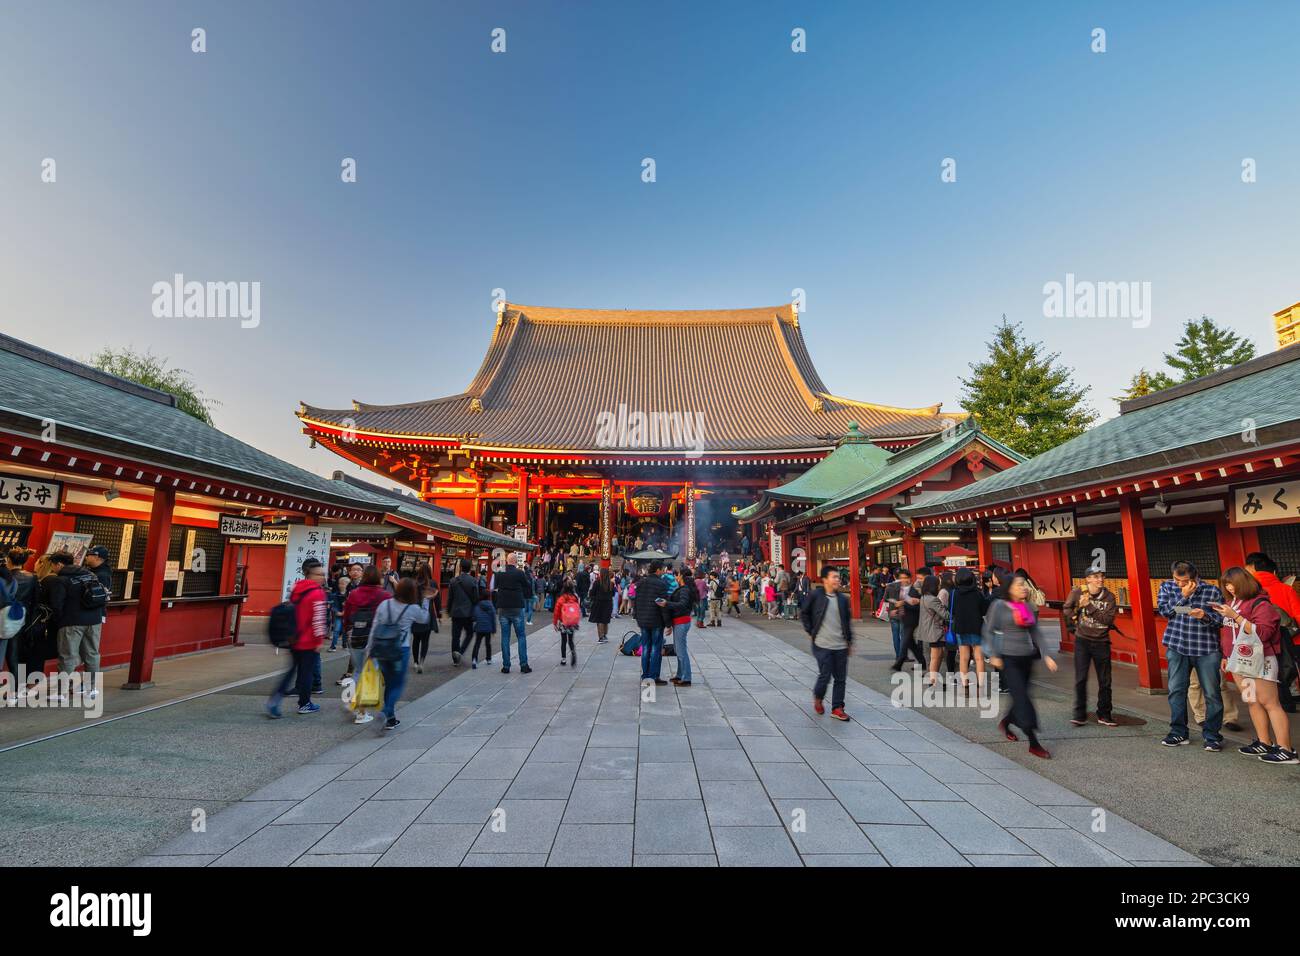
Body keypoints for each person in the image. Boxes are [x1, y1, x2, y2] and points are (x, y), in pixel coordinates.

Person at [1215, 567, 1295, 763]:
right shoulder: (1230, 602)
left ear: (1244, 582)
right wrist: (1226, 655)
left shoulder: (1260, 603)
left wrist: (1236, 616)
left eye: (1232, 583)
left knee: (1270, 703)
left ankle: (1286, 749)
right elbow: (1227, 632)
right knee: (1251, 701)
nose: (1230, 588)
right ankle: (1264, 741)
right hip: (1239, 661)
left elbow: (1264, 633)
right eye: (1226, 585)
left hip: (1261, 660)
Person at [983, 573, 1059, 758]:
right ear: (1009, 588)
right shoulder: (999, 606)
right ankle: (1033, 742)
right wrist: (993, 654)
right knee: (1023, 699)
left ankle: (1006, 721)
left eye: (1024, 585)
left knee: (1020, 696)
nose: (1023, 587)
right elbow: (989, 630)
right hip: (1008, 659)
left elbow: (1035, 632)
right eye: (1019, 585)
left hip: (1026, 657)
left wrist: (1047, 655)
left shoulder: (1025, 606)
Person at [1156, 560, 1226, 750]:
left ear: (1194, 578)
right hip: (1177, 646)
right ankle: (1178, 733)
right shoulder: (1168, 587)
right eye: (1176, 579)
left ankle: (1212, 736)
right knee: (1176, 691)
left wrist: (1205, 616)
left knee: (1212, 694)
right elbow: (1165, 611)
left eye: (1184, 581)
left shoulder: (1212, 591)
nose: (1179, 583)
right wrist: (1183, 596)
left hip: (1206, 649)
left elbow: (1223, 621)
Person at [42, 550, 110, 700]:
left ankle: (61, 692)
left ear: (59, 564)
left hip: (72, 622)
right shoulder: (90, 574)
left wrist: (59, 621)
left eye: (53, 565)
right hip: (94, 620)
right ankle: (91, 689)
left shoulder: (62, 580)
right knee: (92, 654)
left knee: (67, 656)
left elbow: (57, 604)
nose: (53, 569)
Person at [266, 558, 328, 718]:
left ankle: (275, 698)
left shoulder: (297, 588)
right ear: (310, 574)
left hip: (294, 637)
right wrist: (319, 640)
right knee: (306, 672)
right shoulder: (318, 593)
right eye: (319, 574)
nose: (322, 577)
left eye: (323, 574)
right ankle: (305, 703)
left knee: (292, 669)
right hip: (309, 640)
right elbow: (319, 618)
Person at [365, 577, 428, 730]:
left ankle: (390, 718)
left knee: (389, 682)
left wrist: (369, 649)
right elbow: (424, 619)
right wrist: (426, 601)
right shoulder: (411, 609)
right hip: (400, 649)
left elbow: (374, 627)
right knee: (398, 683)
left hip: (381, 648)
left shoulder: (384, 604)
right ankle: (385, 712)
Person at [1062, 567, 1119, 728]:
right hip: (1082, 641)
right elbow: (1066, 608)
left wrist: (1089, 607)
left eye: (1101, 576)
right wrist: (1072, 621)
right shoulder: (1077, 592)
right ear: (1088, 579)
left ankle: (1105, 714)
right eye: (1095, 577)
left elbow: (1107, 620)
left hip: (1102, 642)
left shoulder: (1109, 597)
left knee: (1105, 681)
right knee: (1080, 678)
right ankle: (1079, 714)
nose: (1100, 579)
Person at [1243, 552, 1300, 713]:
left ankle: (1270, 704)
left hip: (1260, 640)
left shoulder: (1248, 592)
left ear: (1252, 569)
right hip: (1289, 639)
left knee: (1265, 674)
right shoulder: (1285, 589)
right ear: (1273, 572)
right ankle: (1287, 704)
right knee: (1285, 669)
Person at [799, 565, 853, 721]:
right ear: (825, 580)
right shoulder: (816, 595)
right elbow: (804, 613)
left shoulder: (843, 599)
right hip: (822, 644)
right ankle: (818, 696)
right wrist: (810, 631)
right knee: (825, 674)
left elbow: (847, 622)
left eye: (838, 577)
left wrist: (849, 641)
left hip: (841, 645)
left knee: (841, 678)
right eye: (834, 577)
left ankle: (837, 707)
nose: (837, 579)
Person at [340, 564, 389, 696]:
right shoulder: (385, 596)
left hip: (356, 635)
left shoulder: (354, 593)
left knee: (359, 670)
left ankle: (350, 699)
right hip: (376, 638)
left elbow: (347, 616)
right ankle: (361, 711)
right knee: (372, 671)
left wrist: (347, 632)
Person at [947, 567, 987, 697]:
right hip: (976, 627)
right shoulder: (978, 593)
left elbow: (951, 611)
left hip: (961, 627)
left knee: (964, 658)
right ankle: (981, 687)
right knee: (979, 658)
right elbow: (984, 611)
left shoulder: (954, 593)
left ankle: (965, 685)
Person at [495, 557, 532, 675]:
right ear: (515, 562)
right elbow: (527, 586)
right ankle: (523, 665)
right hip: (516, 606)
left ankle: (506, 666)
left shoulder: (499, 573)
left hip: (503, 607)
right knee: (521, 636)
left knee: (505, 637)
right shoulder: (519, 573)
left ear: (507, 561)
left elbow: (496, 587)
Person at [635, 562, 670, 686]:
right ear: (658, 570)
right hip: (656, 620)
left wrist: (637, 617)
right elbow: (663, 605)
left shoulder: (640, 583)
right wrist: (668, 623)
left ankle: (645, 675)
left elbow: (636, 601)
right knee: (656, 648)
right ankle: (654, 676)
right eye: (662, 570)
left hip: (643, 620)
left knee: (645, 648)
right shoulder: (661, 584)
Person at [887, 570, 924, 671]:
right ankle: (922, 661)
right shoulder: (899, 588)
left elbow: (918, 606)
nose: (903, 580)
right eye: (901, 578)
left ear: (909, 578)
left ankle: (899, 662)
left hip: (913, 619)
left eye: (905, 578)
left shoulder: (915, 590)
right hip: (903, 617)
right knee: (910, 643)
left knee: (905, 640)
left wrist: (904, 603)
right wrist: (896, 610)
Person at [917, 575, 949, 686]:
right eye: (938, 584)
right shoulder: (933, 600)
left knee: (937, 655)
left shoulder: (924, 597)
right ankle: (933, 681)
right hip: (935, 631)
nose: (939, 586)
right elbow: (945, 615)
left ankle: (934, 679)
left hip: (928, 630)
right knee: (936, 656)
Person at [447, 559, 480, 666]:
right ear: (470, 568)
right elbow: (476, 598)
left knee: (455, 636)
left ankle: (455, 659)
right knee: (470, 633)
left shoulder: (453, 581)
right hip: (468, 613)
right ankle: (461, 651)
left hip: (456, 612)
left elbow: (450, 598)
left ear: (460, 567)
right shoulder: (473, 581)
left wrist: (448, 610)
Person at [667, 567, 696, 686]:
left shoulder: (684, 590)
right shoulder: (684, 589)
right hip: (680, 621)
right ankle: (680, 674)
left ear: (682, 576)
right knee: (678, 649)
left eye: (677, 575)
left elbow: (683, 604)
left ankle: (686, 677)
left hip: (681, 621)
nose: (676, 577)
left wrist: (667, 603)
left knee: (681, 650)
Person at [410, 563, 440, 674]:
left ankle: (415, 662)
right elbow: (437, 600)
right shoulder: (433, 583)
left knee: (416, 639)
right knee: (425, 640)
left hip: (415, 615)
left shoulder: (414, 583)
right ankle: (422, 661)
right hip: (428, 614)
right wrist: (439, 615)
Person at [553, 582, 581, 667]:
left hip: (563, 621)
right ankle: (573, 652)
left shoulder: (561, 598)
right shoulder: (575, 597)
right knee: (571, 640)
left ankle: (563, 659)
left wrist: (555, 622)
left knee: (563, 640)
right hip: (572, 622)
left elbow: (556, 611)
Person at [588, 566, 614, 644]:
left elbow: (592, 593)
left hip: (598, 603)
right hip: (608, 603)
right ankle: (605, 635)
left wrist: (594, 597)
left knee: (599, 620)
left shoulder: (597, 582)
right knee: (605, 620)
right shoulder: (611, 583)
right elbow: (613, 594)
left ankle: (601, 637)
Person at [471, 589, 496, 668]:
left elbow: (474, 617)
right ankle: (488, 659)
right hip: (488, 628)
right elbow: (493, 618)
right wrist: (494, 629)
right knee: (488, 644)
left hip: (479, 627)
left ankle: (474, 659)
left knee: (477, 644)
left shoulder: (477, 605)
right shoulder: (491, 605)